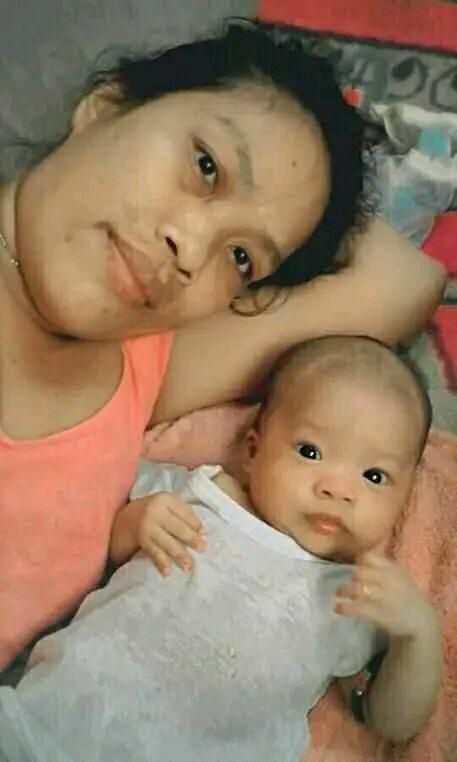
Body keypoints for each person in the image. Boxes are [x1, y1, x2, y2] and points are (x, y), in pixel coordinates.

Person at [0, 21, 445, 673]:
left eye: (241, 258)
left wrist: (319, 195)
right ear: (105, 104)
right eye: (205, 166)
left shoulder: (143, 365)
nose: (190, 249)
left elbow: (403, 281)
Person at [0, 336, 442, 761]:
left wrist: (418, 637)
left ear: (404, 499)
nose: (338, 489)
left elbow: (391, 721)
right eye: (310, 451)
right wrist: (133, 524)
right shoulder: (201, 492)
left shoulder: (357, 596)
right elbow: (84, 529)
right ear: (253, 451)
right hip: (50, 722)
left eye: (374, 476)